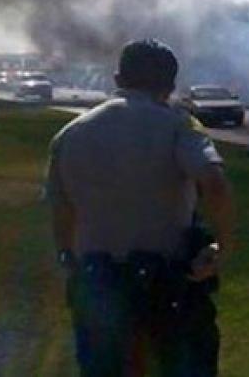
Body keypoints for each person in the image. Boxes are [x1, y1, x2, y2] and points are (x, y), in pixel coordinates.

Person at [46, 39, 236, 376]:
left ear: (118, 78)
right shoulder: (179, 126)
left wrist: (66, 256)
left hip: (97, 285)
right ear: (171, 84)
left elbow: (61, 209)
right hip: (168, 287)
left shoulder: (70, 134)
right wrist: (222, 246)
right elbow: (214, 182)